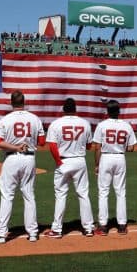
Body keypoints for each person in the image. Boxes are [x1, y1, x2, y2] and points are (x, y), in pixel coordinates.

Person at [0, 91, 45, 243]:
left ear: (11, 102)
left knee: (7, 195)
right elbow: (41, 142)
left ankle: (2, 234)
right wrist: (28, 142)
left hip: (11, 159)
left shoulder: (5, 120)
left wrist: (15, 147)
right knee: (29, 195)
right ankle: (33, 233)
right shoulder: (34, 119)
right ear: (24, 102)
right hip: (29, 159)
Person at [44, 97, 95, 238]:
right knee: (83, 194)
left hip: (64, 161)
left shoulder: (56, 124)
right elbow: (90, 146)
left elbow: (53, 146)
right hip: (80, 161)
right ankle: (89, 228)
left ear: (63, 109)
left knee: (61, 195)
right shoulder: (85, 123)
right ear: (75, 109)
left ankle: (57, 229)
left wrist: (59, 162)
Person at [91, 99, 137, 236]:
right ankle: (122, 225)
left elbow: (97, 147)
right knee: (120, 192)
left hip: (106, 157)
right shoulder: (126, 125)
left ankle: (103, 226)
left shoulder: (102, 125)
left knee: (103, 192)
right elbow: (131, 147)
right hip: (120, 157)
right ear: (119, 111)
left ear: (107, 112)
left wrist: (97, 164)